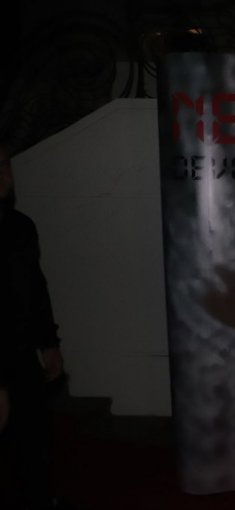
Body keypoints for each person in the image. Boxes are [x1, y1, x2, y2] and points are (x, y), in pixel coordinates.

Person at [0, 142, 68, 510]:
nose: (3, 174)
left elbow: (34, 289)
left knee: (34, 442)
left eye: (5, 165)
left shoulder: (21, 227)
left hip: (22, 355)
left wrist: (50, 344)